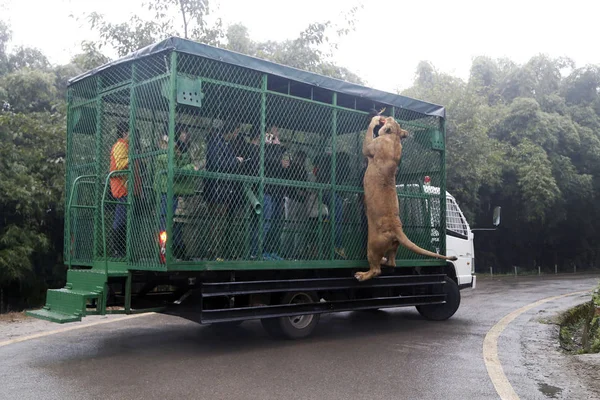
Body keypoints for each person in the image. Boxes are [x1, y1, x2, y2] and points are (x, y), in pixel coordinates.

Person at [244, 125, 288, 260]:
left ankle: (270, 251)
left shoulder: (277, 146)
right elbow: (266, 161)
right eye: (274, 130)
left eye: (277, 130)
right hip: (265, 189)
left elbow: (284, 164)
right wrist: (274, 147)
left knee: (276, 222)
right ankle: (255, 252)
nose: (276, 133)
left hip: (277, 191)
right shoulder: (264, 144)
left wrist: (281, 152)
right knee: (264, 222)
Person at [155, 124, 198, 260]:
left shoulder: (177, 148)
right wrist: (192, 167)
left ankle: (176, 251)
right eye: (184, 132)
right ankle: (163, 254)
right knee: (165, 223)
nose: (186, 135)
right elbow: (175, 171)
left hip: (175, 190)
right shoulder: (167, 148)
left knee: (175, 222)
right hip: (166, 191)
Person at [110, 121, 129, 258]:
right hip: (122, 186)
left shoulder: (126, 146)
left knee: (123, 218)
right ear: (124, 133)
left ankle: (121, 249)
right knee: (120, 218)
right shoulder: (120, 146)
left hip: (126, 186)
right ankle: (117, 250)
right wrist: (132, 159)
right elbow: (120, 164)